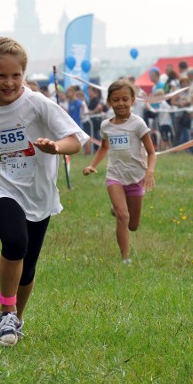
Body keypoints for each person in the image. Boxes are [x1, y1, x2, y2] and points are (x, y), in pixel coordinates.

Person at [0, 37, 89, 347]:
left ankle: (16, 319)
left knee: (28, 265)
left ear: (23, 74)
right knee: (15, 241)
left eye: (16, 75)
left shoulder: (38, 104)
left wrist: (56, 147)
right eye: (1, 75)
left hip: (37, 193)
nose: (9, 82)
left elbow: (75, 140)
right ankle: (6, 312)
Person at [82, 79, 156, 264]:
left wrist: (149, 172)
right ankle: (125, 258)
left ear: (133, 101)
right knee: (123, 215)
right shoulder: (106, 125)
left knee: (133, 225)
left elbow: (152, 152)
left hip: (136, 176)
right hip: (115, 175)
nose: (120, 103)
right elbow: (104, 147)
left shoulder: (138, 124)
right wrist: (93, 165)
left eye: (125, 99)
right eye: (116, 100)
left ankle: (118, 211)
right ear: (109, 102)